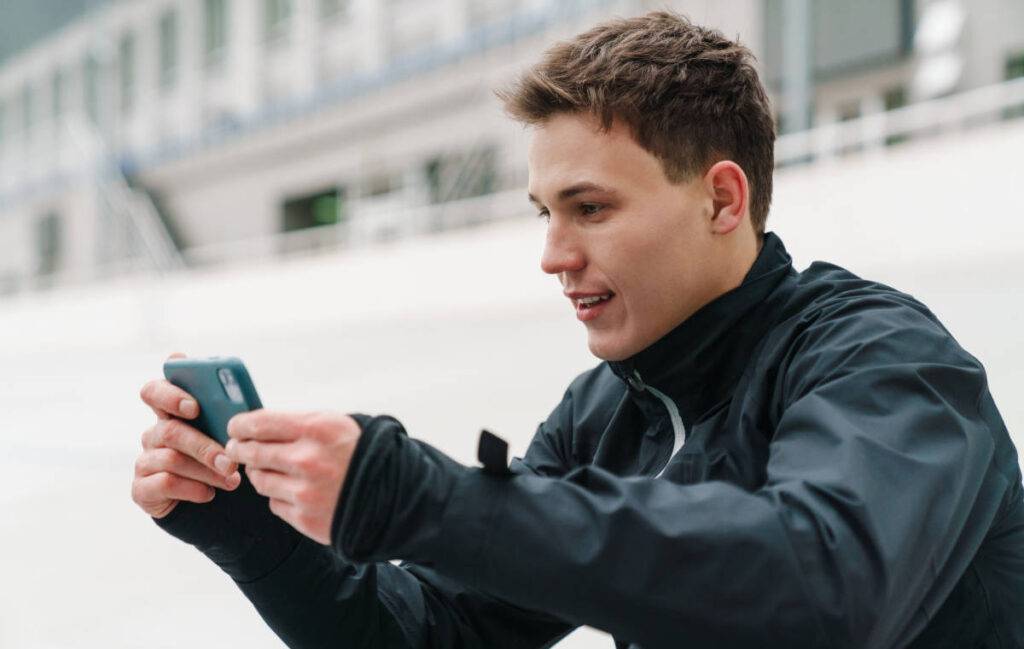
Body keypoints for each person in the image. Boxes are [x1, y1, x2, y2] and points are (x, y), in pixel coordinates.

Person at [131, 11, 1024, 649]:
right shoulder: (607, 411)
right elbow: (443, 632)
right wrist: (253, 531)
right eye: (543, 212)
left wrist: (422, 498)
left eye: (589, 207)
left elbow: (823, 591)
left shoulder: (883, 356)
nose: (553, 254)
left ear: (722, 197)